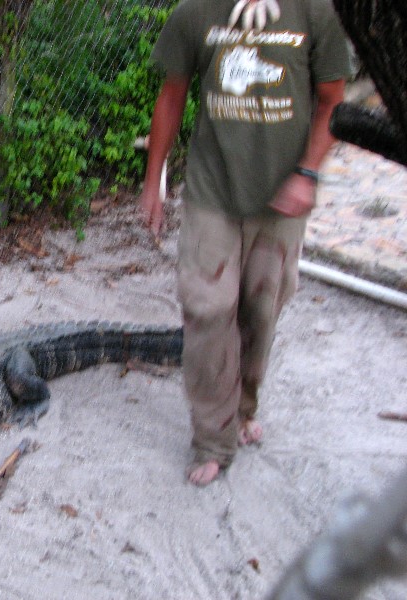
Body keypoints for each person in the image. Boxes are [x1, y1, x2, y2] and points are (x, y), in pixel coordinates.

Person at [138, 0, 354, 485]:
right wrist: (153, 182)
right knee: (208, 308)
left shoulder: (316, 12)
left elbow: (332, 101)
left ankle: (243, 407)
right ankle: (213, 439)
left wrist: (307, 174)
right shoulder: (194, 13)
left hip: (282, 195)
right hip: (213, 190)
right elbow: (172, 95)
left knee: (262, 308)